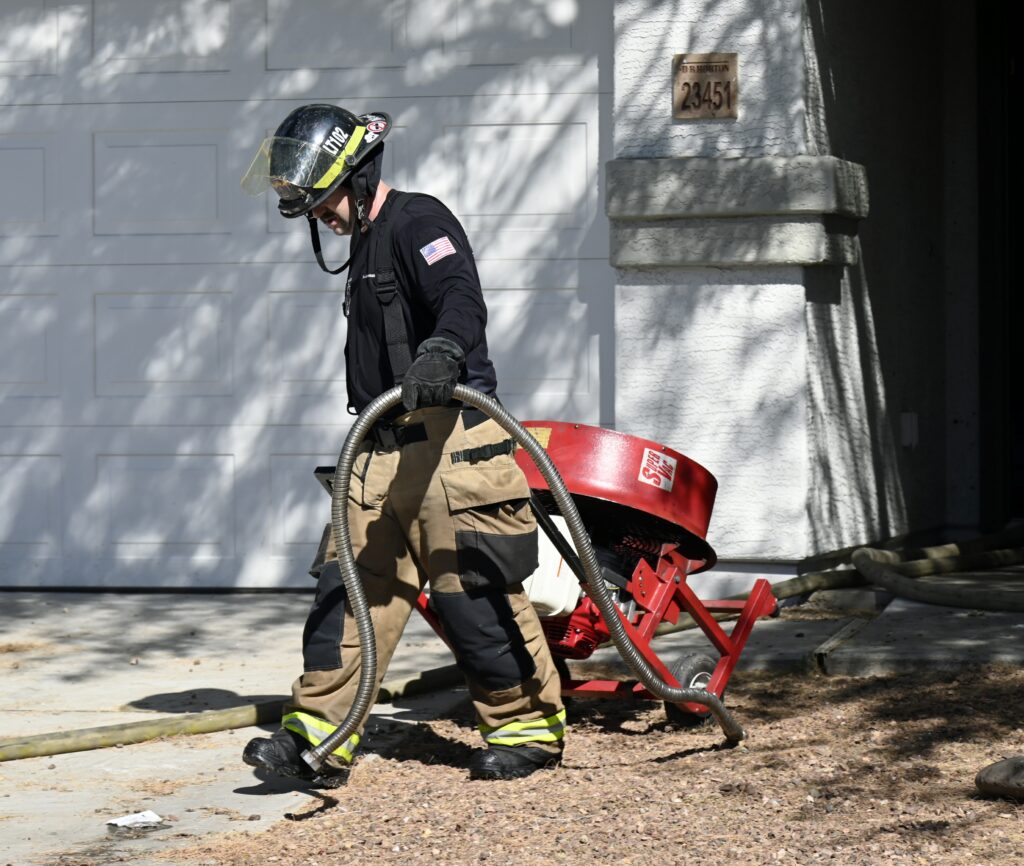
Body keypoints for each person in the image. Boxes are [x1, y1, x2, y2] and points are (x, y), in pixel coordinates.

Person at [239, 104, 566, 787]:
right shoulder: (365, 241)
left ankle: (526, 728)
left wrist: (443, 349)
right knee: (346, 592)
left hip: (451, 443)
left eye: (324, 200)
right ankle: (319, 734)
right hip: (378, 449)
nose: (319, 215)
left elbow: (460, 298)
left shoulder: (419, 222)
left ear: (357, 178)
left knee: (470, 593)